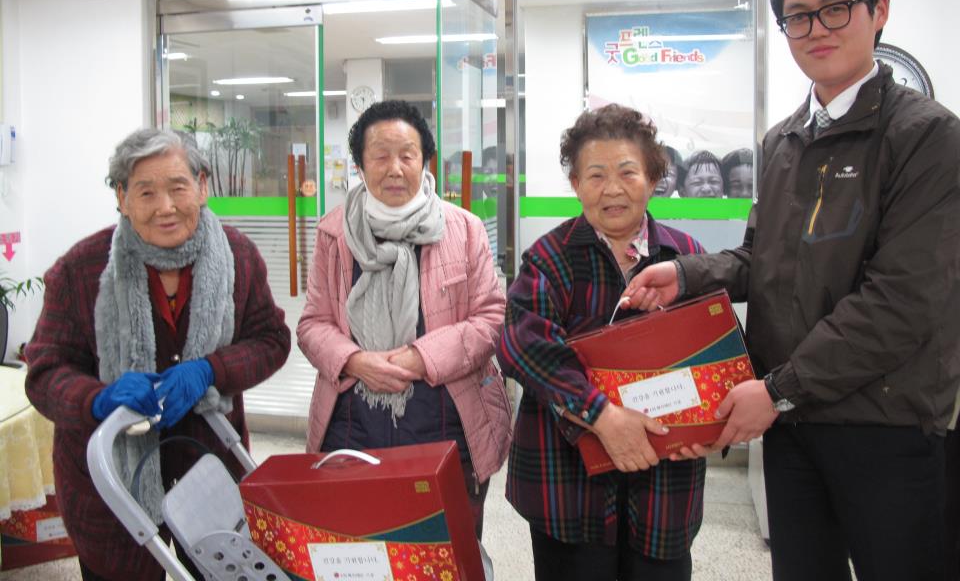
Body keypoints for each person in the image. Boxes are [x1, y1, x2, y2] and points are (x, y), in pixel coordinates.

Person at [623, 0, 960, 581]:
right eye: (798, 16)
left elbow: (902, 302)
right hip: (793, 423)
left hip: (883, 423)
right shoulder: (782, 141)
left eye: (836, 8)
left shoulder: (927, 137)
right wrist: (687, 273)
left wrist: (776, 391)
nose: (816, 29)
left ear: (879, 11)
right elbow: (764, 260)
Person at [24, 129, 291, 580]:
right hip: (112, 488)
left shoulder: (239, 256)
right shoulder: (81, 269)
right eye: (146, 192)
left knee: (221, 571)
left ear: (203, 186)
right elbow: (45, 371)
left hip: (209, 468)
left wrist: (211, 370)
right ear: (122, 198)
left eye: (177, 187)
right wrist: (98, 398)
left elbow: (271, 340)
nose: (165, 207)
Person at [497, 103, 708, 581]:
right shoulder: (549, 259)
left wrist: (707, 425)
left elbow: (709, 355)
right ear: (575, 185)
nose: (611, 189)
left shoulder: (687, 257)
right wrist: (600, 415)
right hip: (567, 489)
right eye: (594, 175)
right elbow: (521, 344)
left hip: (665, 485)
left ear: (654, 178)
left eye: (627, 172)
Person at [297, 100, 511, 539]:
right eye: (380, 155)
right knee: (362, 551)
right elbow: (313, 324)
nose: (394, 168)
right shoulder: (333, 233)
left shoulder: (464, 229)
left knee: (448, 553)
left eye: (407, 155)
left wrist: (420, 357)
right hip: (353, 428)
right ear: (360, 164)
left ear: (424, 161)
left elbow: (491, 318)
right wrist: (355, 360)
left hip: (447, 425)